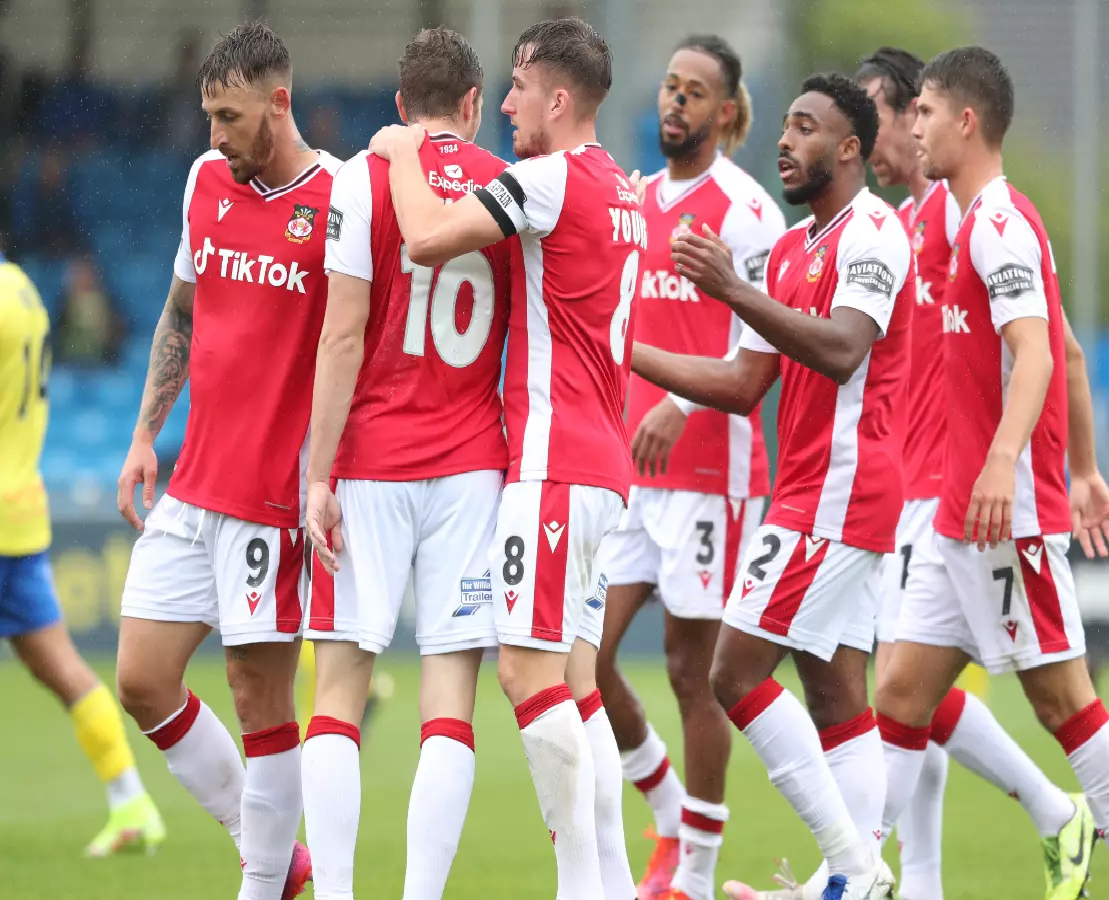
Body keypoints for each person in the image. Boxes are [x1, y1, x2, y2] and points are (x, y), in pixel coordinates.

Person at [873, 45, 1109, 900]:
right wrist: (1084, 466)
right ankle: (849, 878)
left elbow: (1038, 354)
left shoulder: (1000, 224)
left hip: (1003, 519)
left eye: (924, 111)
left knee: (1064, 706)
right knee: (898, 693)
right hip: (953, 515)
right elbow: (1074, 352)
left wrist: (1013, 463)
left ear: (965, 121)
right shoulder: (970, 222)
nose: (915, 126)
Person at [368, 17, 639, 900]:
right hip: (603, 468)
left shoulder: (550, 180)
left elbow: (424, 237)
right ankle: (613, 879)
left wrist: (404, 149)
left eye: (521, 88)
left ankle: (579, 883)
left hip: (552, 465)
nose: (507, 103)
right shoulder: (625, 189)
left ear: (560, 100)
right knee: (577, 681)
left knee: (526, 672)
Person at [633, 72, 910, 900]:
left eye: (805, 128)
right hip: (810, 491)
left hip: (841, 494)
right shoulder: (794, 249)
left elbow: (842, 349)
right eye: (784, 128)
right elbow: (745, 384)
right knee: (832, 699)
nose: (785, 142)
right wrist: (626, 349)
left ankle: (857, 871)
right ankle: (846, 880)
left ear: (851, 148)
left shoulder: (875, 233)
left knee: (731, 672)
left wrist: (732, 289)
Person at [113, 21, 339, 900]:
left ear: (277, 105)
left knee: (259, 700)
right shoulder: (206, 181)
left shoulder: (339, 202)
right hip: (195, 480)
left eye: (229, 116)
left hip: (270, 498)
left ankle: (263, 883)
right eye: (208, 115)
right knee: (139, 677)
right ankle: (279, 860)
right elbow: (179, 311)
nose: (214, 135)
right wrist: (142, 435)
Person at [300, 27, 514, 899]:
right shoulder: (507, 185)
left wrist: (318, 474)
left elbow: (342, 333)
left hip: (371, 464)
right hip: (472, 464)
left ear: (400, 105)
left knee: (340, 692)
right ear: (473, 103)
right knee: (449, 705)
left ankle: (342, 893)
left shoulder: (364, 174)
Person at [589, 34, 784, 900]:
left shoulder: (747, 212)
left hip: (713, 475)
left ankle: (694, 876)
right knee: (583, 661)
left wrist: (680, 405)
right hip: (631, 473)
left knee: (691, 671)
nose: (676, 102)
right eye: (669, 86)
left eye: (695, 92)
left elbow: (757, 354)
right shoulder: (634, 200)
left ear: (727, 113)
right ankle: (667, 810)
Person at [0, 250, 164, 858]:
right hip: (20, 511)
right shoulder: (23, 291)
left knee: (61, 667)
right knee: (63, 668)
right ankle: (132, 802)